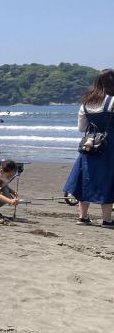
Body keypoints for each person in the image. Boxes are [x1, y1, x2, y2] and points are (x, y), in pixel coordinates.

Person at [64, 69, 114, 228]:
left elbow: (81, 128)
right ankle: (107, 219)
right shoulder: (112, 101)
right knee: (108, 179)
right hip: (109, 144)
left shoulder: (86, 103)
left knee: (86, 178)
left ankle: (83, 217)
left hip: (89, 144)